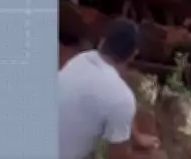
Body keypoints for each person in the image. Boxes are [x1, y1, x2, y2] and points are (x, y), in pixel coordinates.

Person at [59, 19, 161, 159]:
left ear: (102, 41)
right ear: (133, 54)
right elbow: (117, 156)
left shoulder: (80, 59)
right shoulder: (121, 97)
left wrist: (136, 136)